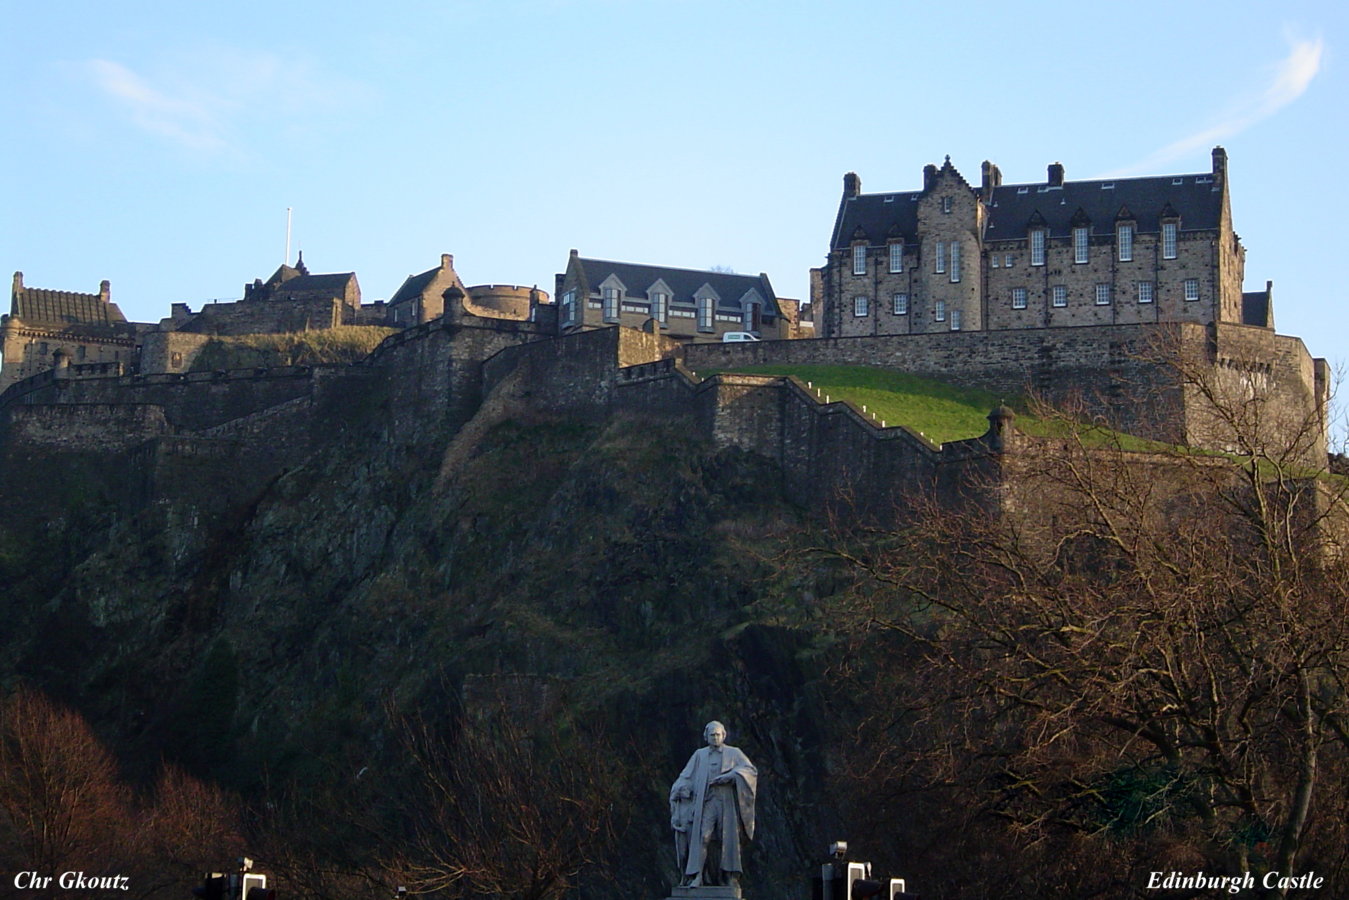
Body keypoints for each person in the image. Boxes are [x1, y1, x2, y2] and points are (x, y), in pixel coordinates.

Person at [669, 720, 757, 888]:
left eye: (718, 735)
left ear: (724, 735)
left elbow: (750, 771)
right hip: (707, 801)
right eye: (712, 735)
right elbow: (686, 777)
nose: (715, 738)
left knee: (727, 838)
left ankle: (730, 876)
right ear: (706, 737)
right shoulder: (699, 755)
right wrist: (679, 789)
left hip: (726, 802)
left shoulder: (734, 753)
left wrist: (731, 776)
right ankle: (697, 875)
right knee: (704, 836)